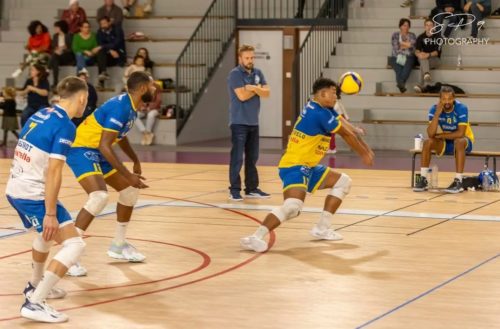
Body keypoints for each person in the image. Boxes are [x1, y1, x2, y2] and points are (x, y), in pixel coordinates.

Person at [240, 77, 374, 252]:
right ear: (322, 93)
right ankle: (255, 237)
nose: (336, 97)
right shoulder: (319, 113)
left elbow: (343, 123)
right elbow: (345, 134)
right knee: (292, 207)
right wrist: (365, 153)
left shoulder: (322, 108)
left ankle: (322, 228)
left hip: (309, 167)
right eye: (333, 93)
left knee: (344, 182)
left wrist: (360, 137)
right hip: (294, 166)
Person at [6, 76, 88, 323]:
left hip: (16, 187)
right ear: (82, 98)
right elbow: (54, 171)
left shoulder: (42, 113)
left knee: (46, 236)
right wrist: (50, 213)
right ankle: (35, 302)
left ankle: (35, 285)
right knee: (75, 245)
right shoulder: (66, 127)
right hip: (32, 194)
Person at [65, 71, 155, 276]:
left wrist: (135, 159)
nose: (155, 89)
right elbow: (105, 145)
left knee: (130, 191)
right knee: (99, 197)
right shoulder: (121, 107)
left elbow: (119, 137)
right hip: (81, 148)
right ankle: (69, 255)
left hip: (97, 149)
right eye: (152, 86)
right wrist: (128, 173)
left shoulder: (130, 106)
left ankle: (118, 245)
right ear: (142, 89)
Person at [227, 44, 271, 201]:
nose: (250, 60)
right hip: (239, 122)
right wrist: (257, 89)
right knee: (237, 158)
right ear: (240, 58)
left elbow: (267, 93)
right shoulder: (235, 74)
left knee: (252, 157)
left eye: (252, 57)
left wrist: (252, 88)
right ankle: (234, 189)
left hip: (253, 122)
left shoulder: (258, 73)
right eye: (247, 58)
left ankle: (251, 188)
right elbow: (242, 96)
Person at [413, 86, 474, 194]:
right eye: (444, 99)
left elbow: (461, 133)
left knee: (459, 141)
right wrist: (437, 114)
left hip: (464, 141)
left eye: (449, 99)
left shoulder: (461, 108)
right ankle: (423, 179)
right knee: (427, 142)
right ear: (440, 99)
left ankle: (458, 181)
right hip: (447, 141)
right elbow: (431, 133)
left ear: (453, 98)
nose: (447, 102)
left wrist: (442, 136)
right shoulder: (434, 109)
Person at [96, 16, 126, 87]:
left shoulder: (118, 30)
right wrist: (109, 50)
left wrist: (105, 47)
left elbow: (116, 43)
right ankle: (103, 72)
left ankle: (101, 81)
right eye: (101, 24)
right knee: (100, 53)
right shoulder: (99, 32)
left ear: (109, 22)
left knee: (101, 51)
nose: (103, 25)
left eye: (105, 23)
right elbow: (100, 44)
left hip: (118, 54)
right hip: (108, 55)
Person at [414, 19, 442, 93]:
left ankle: (421, 84)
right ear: (424, 27)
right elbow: (417, 51)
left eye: (431, 25)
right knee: (423, 59)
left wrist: (428, 55)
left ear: (433, 27)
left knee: (423, 62)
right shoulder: (420, 37)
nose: (429, 27)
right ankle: (426, 78)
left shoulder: (438, 37)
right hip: (423, 58)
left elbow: (437, 52)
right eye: (427, 25)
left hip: (435, 60)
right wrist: (419, 54)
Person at [390, 18, 416, 93]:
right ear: (400, 26)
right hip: (395, 57)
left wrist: (402, 44)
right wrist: (407, 45)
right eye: (404, 25)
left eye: (408, 26)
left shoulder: (412, 35)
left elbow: (413, 48)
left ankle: (400, 83)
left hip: (409, 57)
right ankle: (401, 85)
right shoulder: (395, 35)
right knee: (399, 70)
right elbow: (396, 47)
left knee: (407, 66)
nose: (406, 27)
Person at [49, 20, 75, 88]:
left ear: (61, 28)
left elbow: (72, 49)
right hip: (57, 56)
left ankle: (48, 67)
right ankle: (55, 82)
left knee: (55, 57)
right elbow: (53, 47)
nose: (55, 29)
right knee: (55, 59)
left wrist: (63, 50)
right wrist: (57, 50)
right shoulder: (55, 36)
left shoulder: (69, 35)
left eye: (56, 27)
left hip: (67, 56)